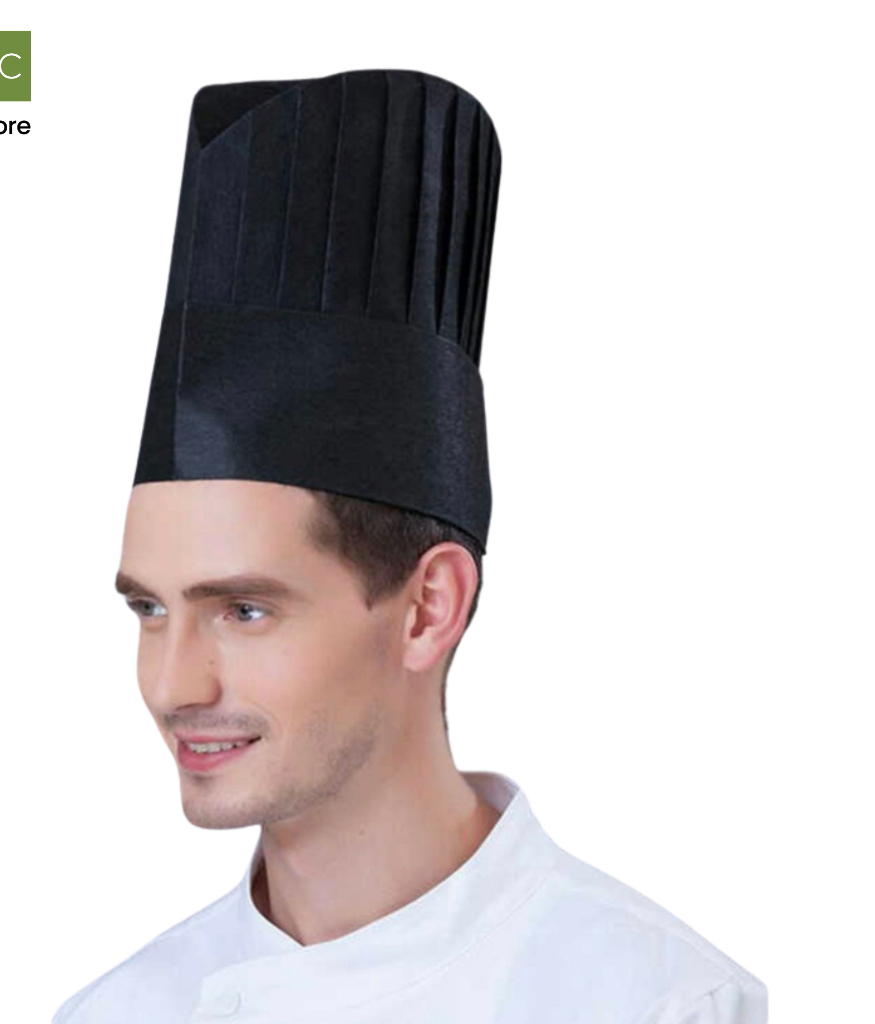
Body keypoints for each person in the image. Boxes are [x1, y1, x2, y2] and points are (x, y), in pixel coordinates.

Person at [52, 68, 767, 1024]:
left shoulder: (658, 1004)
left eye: (244, 609)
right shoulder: (116, 1014)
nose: (173, 683)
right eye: (149, 607)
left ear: (429, 607)